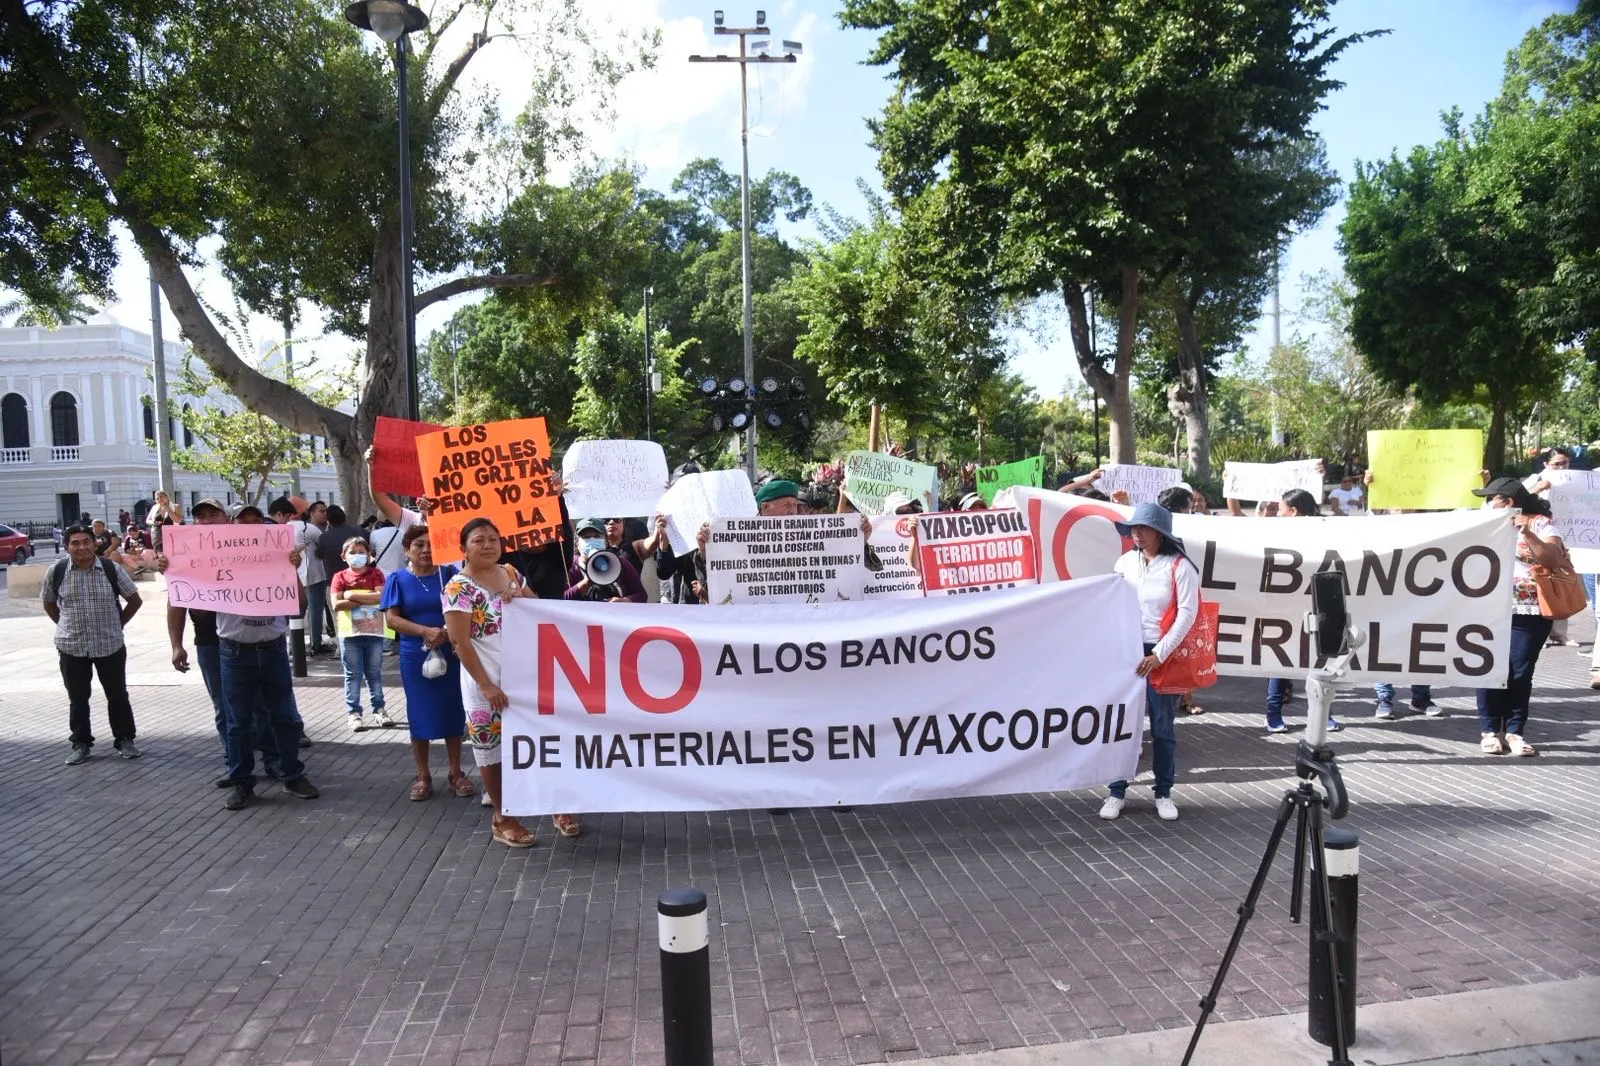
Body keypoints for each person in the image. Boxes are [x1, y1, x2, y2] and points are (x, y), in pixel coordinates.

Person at [444, 517, 581, 847]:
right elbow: (460, 643)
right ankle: (503, 817)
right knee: (492, 751)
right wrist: (487, 686)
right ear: (463, 547)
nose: (488, 545)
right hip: (486, 682)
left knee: (543, 741)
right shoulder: (457, 588)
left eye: (493, 538)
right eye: (479, 540)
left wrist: (521, 595)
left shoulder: (510, 573)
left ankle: (556, 804)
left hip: (526, 676)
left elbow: (538, 609)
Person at [167, 498, 285, 781]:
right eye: (201, 516)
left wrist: (290, 562)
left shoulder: (257, 547)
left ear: (226, 519)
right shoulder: (185, 552)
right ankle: (234, 765)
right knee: (224, 708)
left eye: (212, 514)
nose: (206, 521)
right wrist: (176, 645)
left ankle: (273, 760)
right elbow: (176, 600)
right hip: (210, 641)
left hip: (251, 639)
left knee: (261, 705)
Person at [1100, 502, 1199, 823]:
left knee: (1162, 727)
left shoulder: (1180, 566)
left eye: (1143, 528)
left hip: (1160, 653)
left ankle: (1163, 792)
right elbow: (1110, 602)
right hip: (1125, 652)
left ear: (1160, 532)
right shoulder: (1125, 561)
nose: (1136, 534)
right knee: (1123, 726)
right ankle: (1116, 792)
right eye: (1133, 528)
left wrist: (1160, 654)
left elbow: (1188, 613)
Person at [1471, 476, 1564, 756]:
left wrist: (1528, 534)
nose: (1488, 503)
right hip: (1487, 609)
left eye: (1492, 498)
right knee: (1488, 668)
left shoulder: (1540, 524)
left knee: (1520, 671)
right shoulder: (1485, 521)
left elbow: (1553, 559)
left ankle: (1514, 732)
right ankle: (1489, 731)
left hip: (1530, 612)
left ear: (1508, 502)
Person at [381, 525, 473, 802]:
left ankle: (456, 772)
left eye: (431, 544)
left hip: (452, 652)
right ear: (406, 549)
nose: (425, 550)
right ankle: (423, 774)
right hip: (415, 654)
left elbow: (466, 606)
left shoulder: (451, 575)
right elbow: (392, 619)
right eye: (419, 545)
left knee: (453, 710)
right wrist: (425, 631)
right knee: (418, 712)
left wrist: (446, 631)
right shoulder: (397, 579)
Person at [43, 525, 144, 765]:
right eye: (75, 543)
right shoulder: (56, 571)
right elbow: (48, 603)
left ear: (94, 543)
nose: (81, 547)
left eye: (86, 541)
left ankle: (124, 740)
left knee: (117, 695)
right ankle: (80, 743)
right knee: (77, 698)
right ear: (67, 547)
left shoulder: (110, 569)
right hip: (72, 646)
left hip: (109, 644)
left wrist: (117, 625)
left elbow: (134, 600)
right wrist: (64, 625)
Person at [1263, 489, 1337, 733]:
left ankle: (1322, 714)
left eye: (1281, 509)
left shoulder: (1326, 530)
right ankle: (1273, 714)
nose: (1279, 513)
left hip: (1317, 604)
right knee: (1281, 660)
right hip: (1285, 605)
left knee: (1320, 661)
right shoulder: (1276, 533)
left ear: (1294, 511)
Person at [330, 535, 390, 731]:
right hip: (349, 635)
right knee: (352, 675)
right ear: (343, 556)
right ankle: (354, 713)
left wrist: (350, 594)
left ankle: (379, 710)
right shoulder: (339, 577)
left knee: (374, 673)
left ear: (369, 555)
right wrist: (367, 598)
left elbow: (381, 597)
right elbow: (337, 604)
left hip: (374, 632)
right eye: (352, 552)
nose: (357, 556)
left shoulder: (376, 574)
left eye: (361, 553)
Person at [568, 517, 647, 603]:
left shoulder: (621, 564)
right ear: (577, 543)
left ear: (606, 541)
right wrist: (586, 583)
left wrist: (625, 600)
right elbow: (561, 600)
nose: (592, 540)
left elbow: (641, 594)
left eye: (597, 536)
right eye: (586, 537)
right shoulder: (571, 567)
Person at [290, 500, 333, 654]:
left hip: (293, 576)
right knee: (315, 610)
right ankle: (316, 644)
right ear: (307, 512)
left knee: (297, 612)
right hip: (314, 575)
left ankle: (294, 645)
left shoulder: (282, 528)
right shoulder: (309, 529)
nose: (324, 514)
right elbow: (322, 547)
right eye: (321, 511)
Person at [316, 505, 366, 582]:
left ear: (328, 520)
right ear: (344, 517)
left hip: (335, 581)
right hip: (360, 578)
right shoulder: (359, 531)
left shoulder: (324, 537)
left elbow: (318, 555)